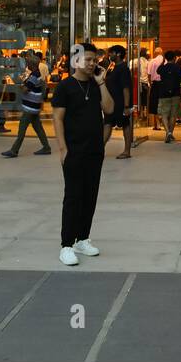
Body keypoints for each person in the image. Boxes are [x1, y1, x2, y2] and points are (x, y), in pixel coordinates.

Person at [51, 43, 114, 266]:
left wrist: (102, 82)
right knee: (73, 197)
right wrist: (63, 148)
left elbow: (109, 109)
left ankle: (82, 238)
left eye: (94, 59)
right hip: (74, 150)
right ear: (76, 60)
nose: (92, 63)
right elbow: (57, 118)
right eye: (87, 59)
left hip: (95, 150)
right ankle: (66, 245)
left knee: (90, 196)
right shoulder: (65, 86)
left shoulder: (97, 84)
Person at [2, 51, 51, 157]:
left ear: (31, 65)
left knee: (22, 128)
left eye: (28, 63)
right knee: (38, 128)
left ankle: (14, 150)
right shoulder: (36, 74)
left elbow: (25, 89)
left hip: (30, 107)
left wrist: (19, 85)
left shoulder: (34, 75)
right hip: (35, 106)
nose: (27, 65)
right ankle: (46, 147)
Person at [104, 45, 136, 159]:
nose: (109, 55)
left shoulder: (123, 68)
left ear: (118, 54)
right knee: (107, 123)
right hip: (111, 102)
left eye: (111, 53)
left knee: (124, 124)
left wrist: (126, 106)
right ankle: (100, 149)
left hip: (121, 103)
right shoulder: (114, 67)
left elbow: (126, 88)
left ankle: (127, 151)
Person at [155, 52, 181, 142]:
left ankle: (167, 132)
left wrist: (163, 61)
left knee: (164, 114)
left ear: (166, 58)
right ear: (175, 58)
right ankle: (170, 133)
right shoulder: (178, 68)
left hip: (163, 93)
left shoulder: (162, 68)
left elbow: (158, 70)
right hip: (175, 93)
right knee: (173, 115)